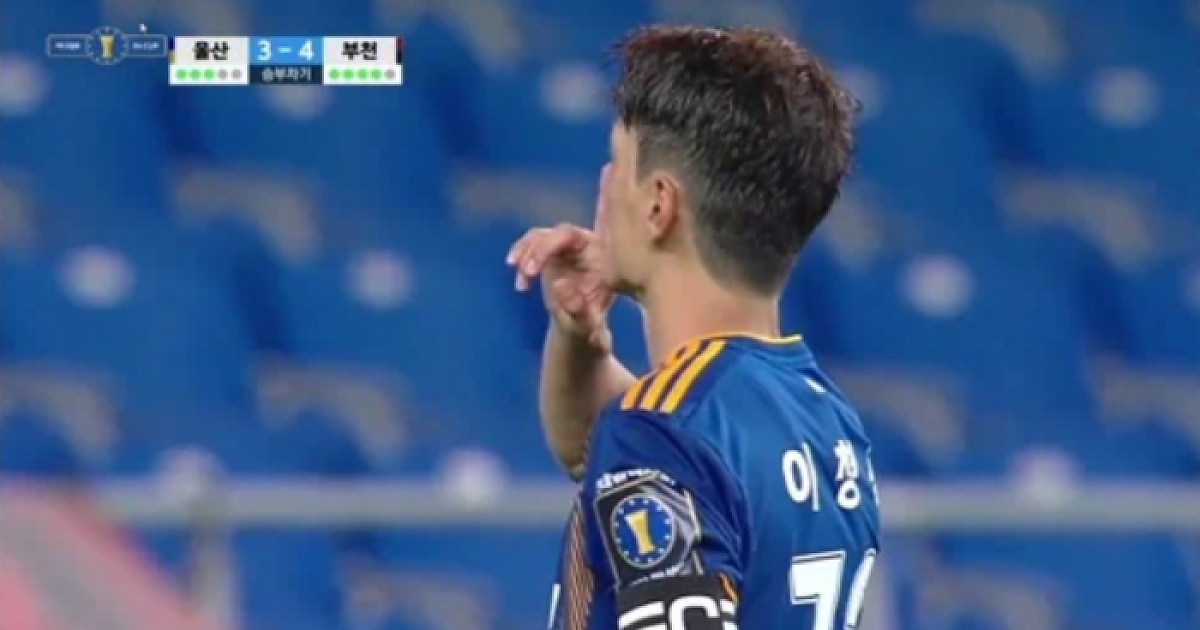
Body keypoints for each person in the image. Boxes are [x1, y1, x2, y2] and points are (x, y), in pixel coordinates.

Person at [507, 26, 880, 630]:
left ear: (659, 203)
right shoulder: (826, 416)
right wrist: (580, 337)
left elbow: (645, 442)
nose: (604, 185)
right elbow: (591, 449)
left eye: (617, 163)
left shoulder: (665, 427)